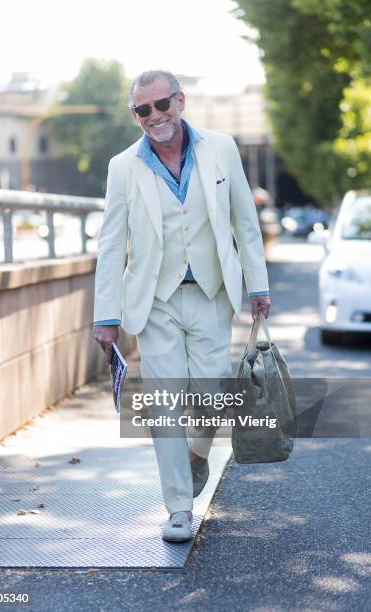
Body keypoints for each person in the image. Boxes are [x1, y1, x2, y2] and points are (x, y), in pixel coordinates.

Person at [93, 70, 270, 543]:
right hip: (155, 301)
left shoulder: (221, 148)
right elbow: (112, 244)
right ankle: (177, 508)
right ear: (136, 115)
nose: (154, 116)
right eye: (142, 110)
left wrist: (259, 285)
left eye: (161, 105)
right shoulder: (122, 167)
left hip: (213, 293)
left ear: (180, 101)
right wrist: (105, 316)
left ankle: (197, 454)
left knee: (212, 398)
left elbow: (244, 221)